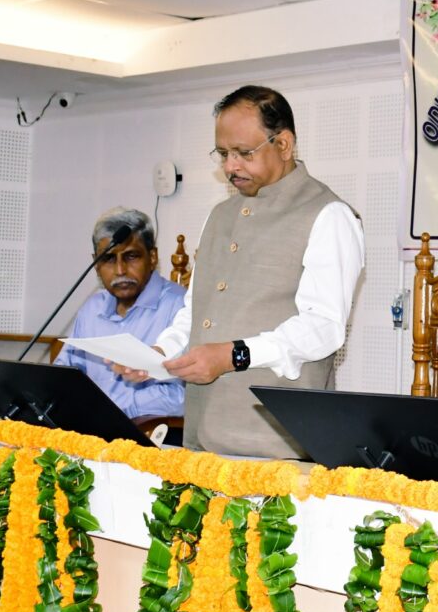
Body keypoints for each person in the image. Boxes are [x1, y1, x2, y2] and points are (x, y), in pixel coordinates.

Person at [138, 85, 365, 459]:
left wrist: (235, 355)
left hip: (278, 446)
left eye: (244, 153)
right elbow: (196, 313)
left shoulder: (329, 215)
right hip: (202, 435)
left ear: (284, 145)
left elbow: (323, 328)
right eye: (223, 154)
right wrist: (157, 355)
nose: (230, 167)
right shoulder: (220, 215)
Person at [56, 207, 186, 419]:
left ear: (153, 257)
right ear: (96, 263)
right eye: (108, 259)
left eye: (131, 256)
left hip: (148, 433)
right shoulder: (92, 308)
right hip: (88, 429)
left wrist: (108, 410)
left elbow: (183, 396)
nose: (120, 270)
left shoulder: (181, 306)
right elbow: (66, 373)